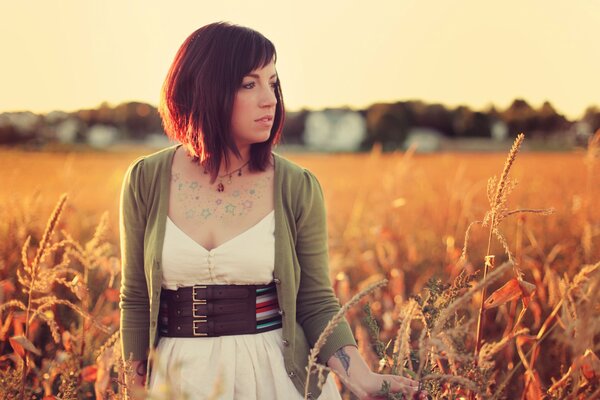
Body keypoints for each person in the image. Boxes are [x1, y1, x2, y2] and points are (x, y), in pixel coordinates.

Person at [119, 21, 427, 400]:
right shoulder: (145, 180)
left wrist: (359, 376)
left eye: (273, 82)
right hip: (177, 377)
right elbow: (135, 297)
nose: (270, 99)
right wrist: (134, 390)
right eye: (250, 84)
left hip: (275, 376)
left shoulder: (297, 186)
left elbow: (315, 298)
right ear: (205, 89)